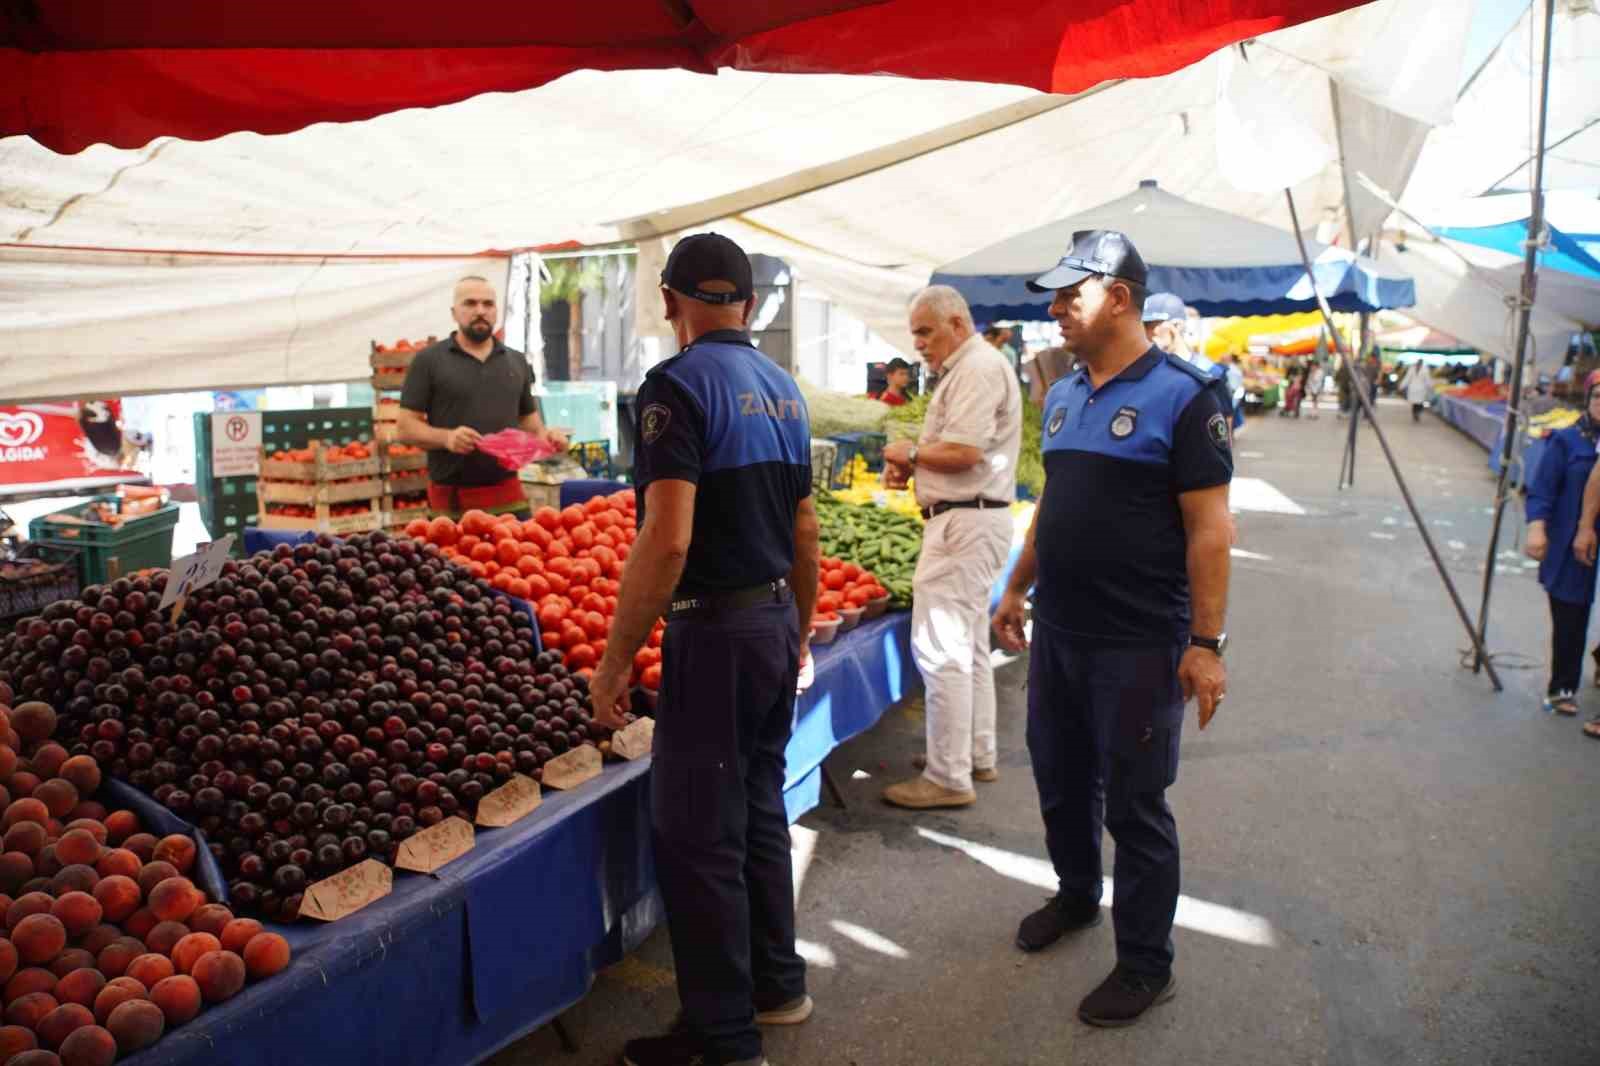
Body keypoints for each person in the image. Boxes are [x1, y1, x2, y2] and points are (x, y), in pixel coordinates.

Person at [992, 229, 1233, 1027]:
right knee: (1060, 778)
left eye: (1071, 294)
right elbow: (1053, 510)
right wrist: (1015, 590)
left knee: (1134, 806)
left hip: (1139, 642)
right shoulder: (1062, 393)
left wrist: (1206, 645)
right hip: (1061, 630)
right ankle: (1075, 897)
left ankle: (1145, 965)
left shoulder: (1185, 396)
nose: (1056, 309)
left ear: (1119, 298)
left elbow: (1210, 530)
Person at [588, 234, 816, 1066]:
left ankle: (722, 1035)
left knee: (696, 833)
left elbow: (668, 536)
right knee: (758, 807)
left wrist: (615, 661)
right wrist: (799, 626)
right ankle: (777, 986)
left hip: (714, 631)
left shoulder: (674, 388)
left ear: (671, 301)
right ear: (747, 306)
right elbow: (805, 528)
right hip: (772, 622)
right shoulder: (783, 389)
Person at [878, 285, 1022, 809]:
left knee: (942, 651)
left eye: (925, 330)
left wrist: (910, 452)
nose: (917, 342)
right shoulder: (971, 368)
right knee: (969, 649)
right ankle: (971, 754)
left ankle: (948, 776)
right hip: (972, 520)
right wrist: (917, 466)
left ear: (958, 324)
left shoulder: (978, 369)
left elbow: (963, 451)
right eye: (914, 331)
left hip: (964, 525)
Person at [397, 276, 567, 520]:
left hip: (509, 497)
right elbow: (405, 427)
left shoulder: (516, 361)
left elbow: (530, 423)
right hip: (452, 503)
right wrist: (447, 438)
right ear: (454, 312)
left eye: (488, 304)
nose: (480, 311)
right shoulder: (429, 360)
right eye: (470, 303)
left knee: (522, 557)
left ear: (496, 310)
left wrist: (548, 437)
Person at [1528, 378, 1600, 725]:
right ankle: (1563, 686)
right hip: (1572, 544)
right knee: (1570, 616)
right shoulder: (1566, 440)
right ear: (1588, 398)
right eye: (1598, 395)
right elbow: (1542, 489)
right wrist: (1537, 527)